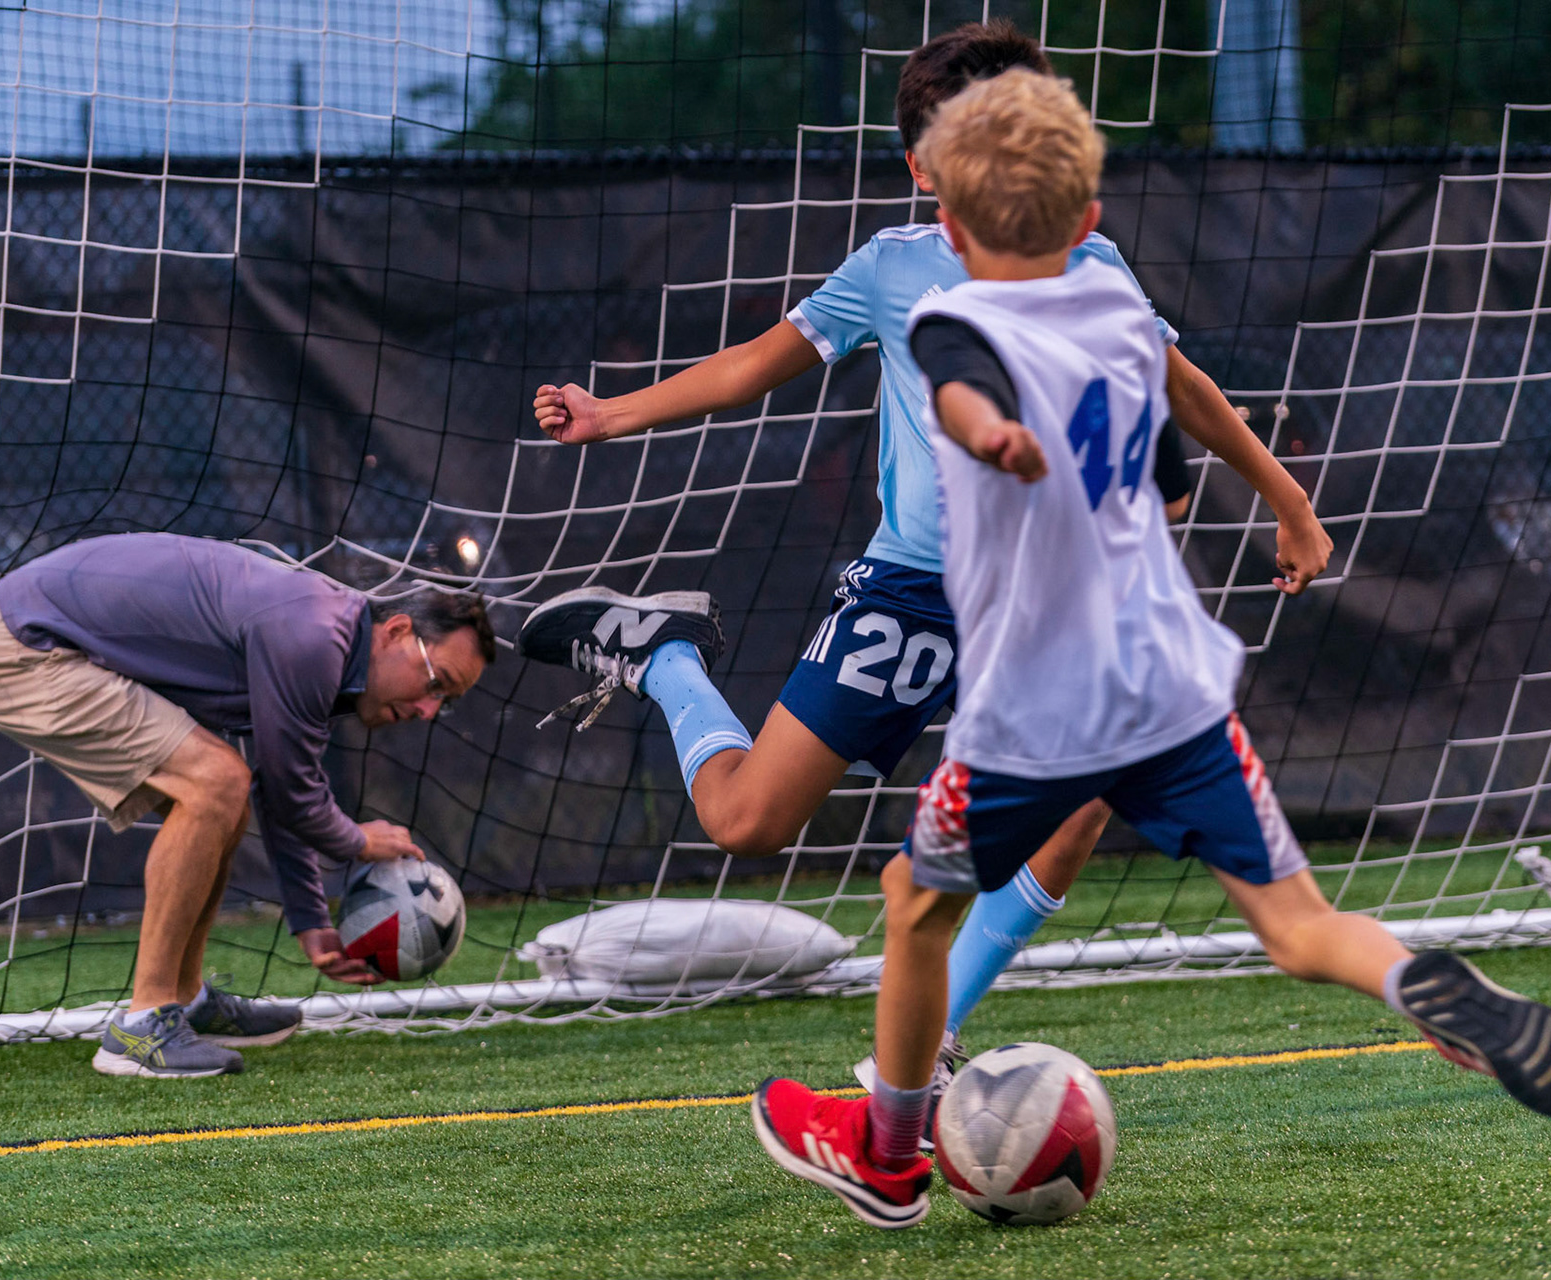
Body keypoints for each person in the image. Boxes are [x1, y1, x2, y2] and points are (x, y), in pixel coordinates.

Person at [747, 68, 1551, 1230]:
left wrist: (992, 432)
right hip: (1177, 688)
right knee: (1298, 926)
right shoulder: (1115, 310)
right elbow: (1172, 475)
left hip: (1035, 713)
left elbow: (963, 382)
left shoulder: (949, 318)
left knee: (913, 902)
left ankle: (889, 1157)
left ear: (945, 222)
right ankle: (1416, 978)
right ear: (1090, 217)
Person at [520, 21, 1237, 1099]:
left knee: (1087, 796)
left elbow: (1182, 393)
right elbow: (755, 365)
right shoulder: (891, 268)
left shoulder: (1094, 262)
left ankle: (926, 1036)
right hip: (912, 595)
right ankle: (665, 656)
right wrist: (607, 411)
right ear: (925, 164)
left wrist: (1282, 497)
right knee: (747, 821)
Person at [0, 532, 494, 1078]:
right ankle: (142, 1028)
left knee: (223, 794)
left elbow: (282, 787)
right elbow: (292, 792)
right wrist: (358, 841)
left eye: (445, 702)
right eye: (434, 682)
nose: (428, 709)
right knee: (214, 784)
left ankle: (183, 1001)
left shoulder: (333, 645)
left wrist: (310, 922)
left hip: (33, 633)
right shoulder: (313, 636)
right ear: (397, 631)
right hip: (18, 646)